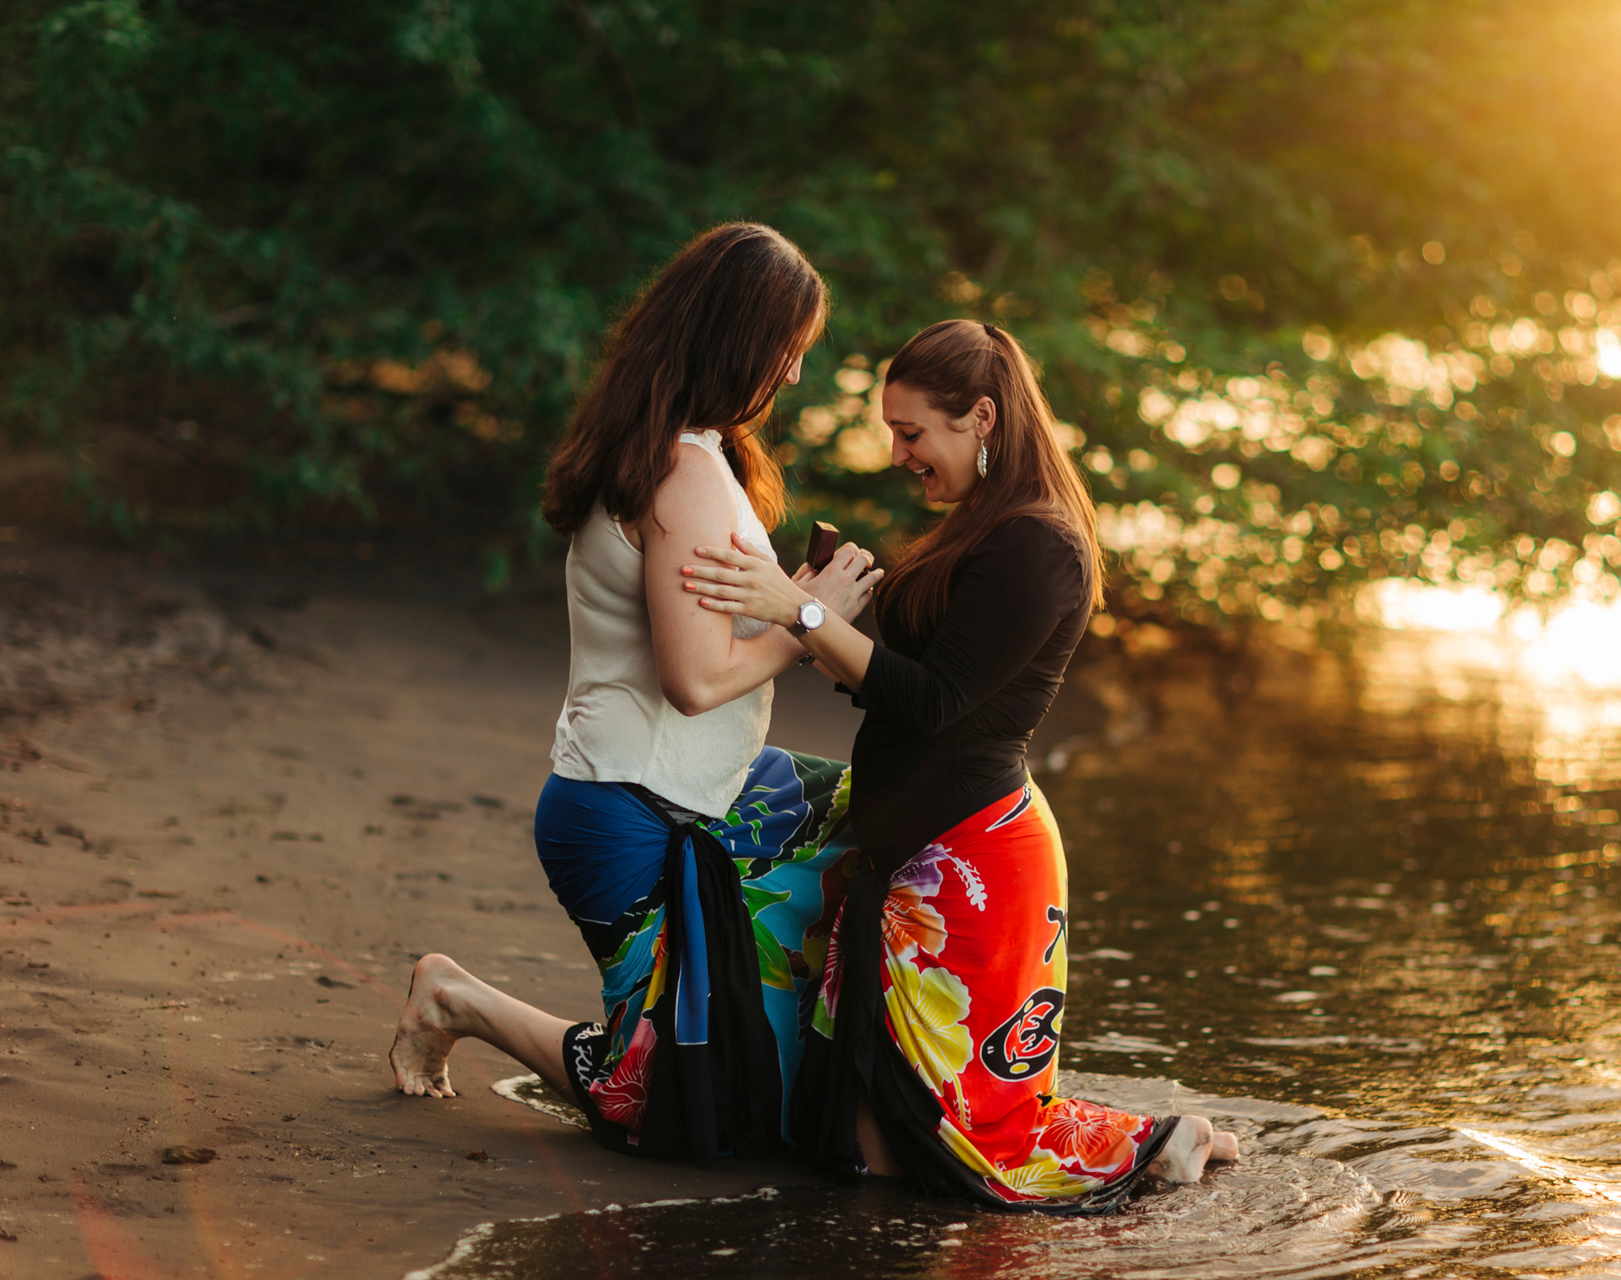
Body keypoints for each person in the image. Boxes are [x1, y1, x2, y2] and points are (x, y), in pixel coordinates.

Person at [682, 319, 1237, 1210]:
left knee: (966, 1145)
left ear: (981, 416)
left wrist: (809, 617)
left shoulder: (1041, 546)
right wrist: (813, 612)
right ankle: (1163, 1143)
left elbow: (938, 702)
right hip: (916, 851)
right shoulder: (977, 529)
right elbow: (899, 692)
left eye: (912, 433)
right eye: (893, 432)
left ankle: (1168, 1142)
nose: (899, 454)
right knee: (878, 1139)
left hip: (972, 866)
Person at [388, 222, 881, 1165]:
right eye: (789, 352)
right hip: (630, 815)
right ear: (740, 340)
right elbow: (694, 680)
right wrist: (809, 619)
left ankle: (831, 1069)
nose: (794, 376)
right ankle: (454, 998)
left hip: (706, 792)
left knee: (891, 805)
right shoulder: (684, 477)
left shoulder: (684, 449)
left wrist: (803, 621)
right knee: (655, 1098)